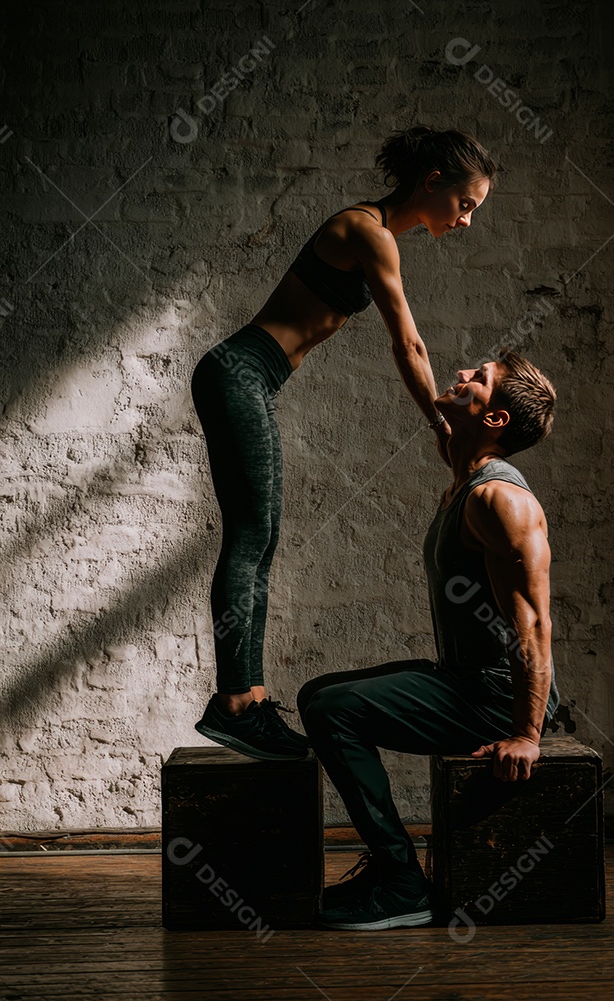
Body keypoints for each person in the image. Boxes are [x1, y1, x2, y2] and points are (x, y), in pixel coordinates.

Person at [191, 126, 497, 761]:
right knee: (250, 540)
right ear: (432, 183)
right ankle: (234, 704)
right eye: (465, 205)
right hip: (240, 374)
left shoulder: (375, 234)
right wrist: (440, 426)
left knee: (261, 540)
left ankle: (246, 698)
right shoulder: (367, 231)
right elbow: (407, 343)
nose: (466, 221)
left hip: (252, 381)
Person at [297, 349, 559, 930]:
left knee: (336, 712)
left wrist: (525, 732)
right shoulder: (461, 471)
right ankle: (389, 873)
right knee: (318, 693)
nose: (463, 373)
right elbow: (420, 376)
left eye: (480, 380)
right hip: (463, 679)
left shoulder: (500, 500)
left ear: (493, 419)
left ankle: (401, 883)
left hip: (494, 697)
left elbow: (535, 624)